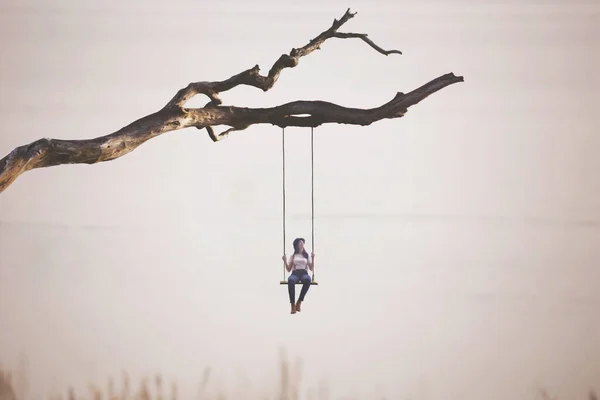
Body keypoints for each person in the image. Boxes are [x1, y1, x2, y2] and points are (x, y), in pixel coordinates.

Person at [281, 237, 315, 314]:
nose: (302, 244)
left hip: (304, 273)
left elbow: (311, 268)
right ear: (297, 245)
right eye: (300, 243)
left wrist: (313, 258)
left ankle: (299, 301)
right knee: (291, 280)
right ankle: (292, 304)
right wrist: (285, 261)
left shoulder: (306, 256)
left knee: (308, 279)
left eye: (303, 243)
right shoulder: (293, 256)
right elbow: (289, 269)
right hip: (295, 273)